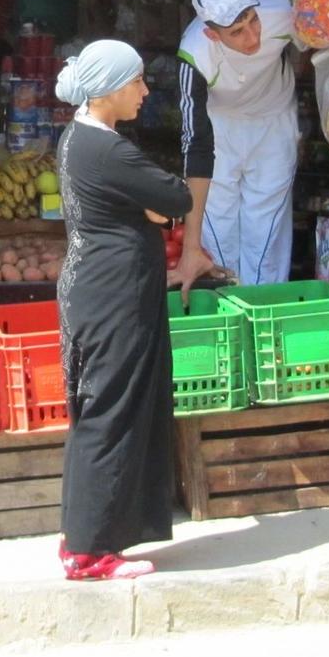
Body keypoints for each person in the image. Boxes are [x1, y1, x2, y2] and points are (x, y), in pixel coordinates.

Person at [53, 40, 193, 581]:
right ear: (110, 89)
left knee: (101, 410)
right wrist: (155, 213)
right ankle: (90, 553)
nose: (144, 91)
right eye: (136, 82)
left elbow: (160, 204)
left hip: (98, 288)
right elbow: (176, 198)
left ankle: (83, 538)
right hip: (114, 297)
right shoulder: (110, 152)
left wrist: (153, 211)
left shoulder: (79, 140)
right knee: (111, 412)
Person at [171, 0, 299, 294]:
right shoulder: (194, 55)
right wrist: (190, 248)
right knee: (218, 225)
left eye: (254, 21)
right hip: (220, 127)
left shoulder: (281, 10)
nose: (253, 36)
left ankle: (264, 313)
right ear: (212, 34)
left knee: (265, 228)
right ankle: (226, 306)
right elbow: (195, 144)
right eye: (237, 32)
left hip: (274, 118)